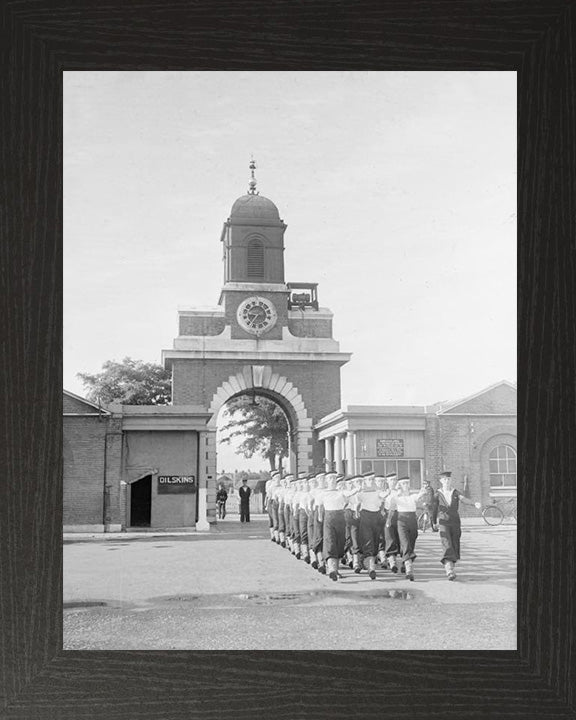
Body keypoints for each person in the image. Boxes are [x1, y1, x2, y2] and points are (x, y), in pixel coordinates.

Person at [431, 470, 481, 580]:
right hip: (443, 521)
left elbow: (463, 499)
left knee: (454, 542)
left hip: (455, 521)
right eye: (444, 479)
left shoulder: (455, 492)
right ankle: (449, 569)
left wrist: (474, 503)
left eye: (448, 479)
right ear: (441, 481)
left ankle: (451, 566)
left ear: (451, 480)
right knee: (446, 543)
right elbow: (434, 509)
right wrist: (434, 522)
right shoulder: (437, 494)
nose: (447, 481)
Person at [387, 477, 426, 581]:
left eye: (407, 483)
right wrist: (388, 521)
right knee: (405, 543)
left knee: (411, 541)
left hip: (412, 520)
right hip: (401, 520)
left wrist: (422, 492)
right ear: (399, 485)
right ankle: (409, 569)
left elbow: (418, 498)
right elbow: (391, 509)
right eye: (403, 483)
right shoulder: (395, 497)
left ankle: (405, 561)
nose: (406, 485)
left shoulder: (413, 496)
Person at [318, 473, 349, 581]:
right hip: (329, 518)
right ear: (326, 481)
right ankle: (332, 570)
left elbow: (347, 502)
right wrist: (320, 517)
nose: (332, 480)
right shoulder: (323, 493)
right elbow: (320, 506)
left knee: (339, 543)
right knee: (330, 542)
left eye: (334, 478)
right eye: (330, 478)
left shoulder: (341, 492)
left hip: (340, 518)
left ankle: (336, 569)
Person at [357, 473, 388, 579]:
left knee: (375, 542)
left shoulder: (378, 492)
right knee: (368, 541)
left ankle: (364, 561)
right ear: (365, 481)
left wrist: (387, 493)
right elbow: (356, 502)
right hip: (365, 516)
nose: (371, 481)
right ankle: (371, 568)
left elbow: (382, 499)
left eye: (372, 479)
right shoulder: (361, 493)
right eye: (368, 480)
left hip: (376, 517)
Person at [382, 473, 401, 572]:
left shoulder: (400, 492)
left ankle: (403, 563)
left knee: (400, 539)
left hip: (399, 515)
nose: (393, 482)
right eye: (391, 480)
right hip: (387, 516)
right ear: (387, 482)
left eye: (395, 480)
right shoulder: (384, 493)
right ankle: (392, 562)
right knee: (389, 539)